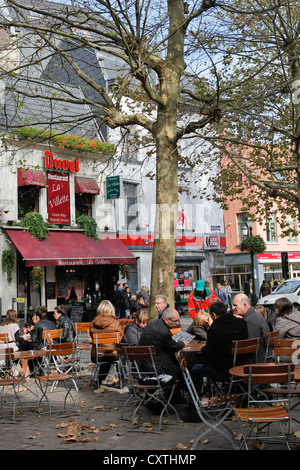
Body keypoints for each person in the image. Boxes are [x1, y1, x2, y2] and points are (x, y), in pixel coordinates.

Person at [180, 302, 248, 422]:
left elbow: (208, 356)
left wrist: (204, 350)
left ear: (214, 315)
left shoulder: (215, 328)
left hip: (222, 370)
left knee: (195, 369)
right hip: (240, 368)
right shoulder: (241, 323)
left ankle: (193, 408)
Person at [139, 308, 189, 383]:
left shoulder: (152, 323)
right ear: (166, 320)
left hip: (143, 364)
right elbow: (174, 347)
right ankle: (177, 392)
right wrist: (183, 344)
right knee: (181, 371)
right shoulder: (164, 332)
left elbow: (166, 344)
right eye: (175, 321)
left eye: (178, 320)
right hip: (157, 368)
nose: (177, 323)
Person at [89, 300, 122, 388]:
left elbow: (92, 336)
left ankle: (99, 381)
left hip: (96, 355)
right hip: (112, 354)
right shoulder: (115, 322)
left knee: (106, 358)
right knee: (117, 357)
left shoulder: (94, 322)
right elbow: (120, 337)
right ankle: (122, 380)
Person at [233, 293, 269, 362]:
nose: (233, 308)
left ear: (244, 305)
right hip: (262, 357)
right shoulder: (255, 315)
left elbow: (250, 348)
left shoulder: (250, 320)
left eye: (235, 305)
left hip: (255, 362)